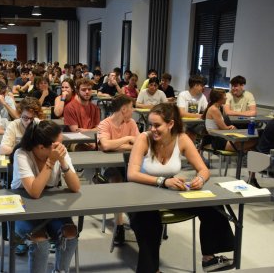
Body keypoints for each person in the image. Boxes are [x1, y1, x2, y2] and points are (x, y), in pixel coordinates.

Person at [127, 103, 234, 273]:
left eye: (157, 125)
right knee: (148, 222)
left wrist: (200, 179)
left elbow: (203, 169)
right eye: (150, 124)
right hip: (141, 193)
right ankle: (150, 270)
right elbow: (132, 174)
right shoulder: (144, 138)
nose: (152, 129)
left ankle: (209, 258)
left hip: (169, 191)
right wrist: (163, 181)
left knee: (213, 206)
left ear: (170, 124)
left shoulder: (182, 139)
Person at [12, 120, 80, 273]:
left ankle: (60, 271)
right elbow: (34, 192)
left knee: (70, 234)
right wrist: (51, 161)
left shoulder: (59, 153)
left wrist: (62, 161)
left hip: (50, 209)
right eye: (58, 144)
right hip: (24, 209)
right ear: (41, 147)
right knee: (40, 242)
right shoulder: (22, 154)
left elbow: (75, 187)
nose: (62, 148)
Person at [97, 94, 139, 245]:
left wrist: (117, 145)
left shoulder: (132, 123)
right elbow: (106, 146)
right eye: (131, 107)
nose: (133, 111)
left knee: (139, 182)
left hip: (129, 165)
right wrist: (127, 140)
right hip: (109, 167)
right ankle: (119, 226)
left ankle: (138, 219)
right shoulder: (105, 124)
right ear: (123, 109)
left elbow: (139, 145)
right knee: (117, 181)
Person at [64, 78, 100, 150]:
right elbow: (76, 131)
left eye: (89, 89)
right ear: (77, 91)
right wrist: (92, 132)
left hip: (92, 138)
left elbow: (99, 129)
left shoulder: (95, 108)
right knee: (81, 147)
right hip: (75, 140)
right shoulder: (70, 107)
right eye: (83, 90)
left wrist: (86, 131)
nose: (87, 92)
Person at [177, 75, 208, 141]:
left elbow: (207, 111)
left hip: (196, 124)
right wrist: (199, 116)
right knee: (186, 131)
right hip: (183, 123)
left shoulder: (202, 96)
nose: (203, 88)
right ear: (195, 85)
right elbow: (182, 113)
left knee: (206, 130)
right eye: (202, 86)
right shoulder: (183, 95)